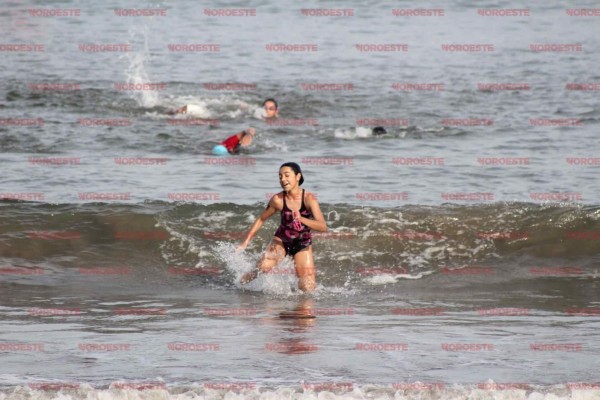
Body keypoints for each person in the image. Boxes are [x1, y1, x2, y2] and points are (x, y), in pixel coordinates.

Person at [237, 162, 327, 292]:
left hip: (303, 243)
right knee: (262, 267)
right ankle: (239, 284)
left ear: (297, 176)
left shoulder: (309, 198)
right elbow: (262, 218)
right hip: (282, 241)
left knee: (307, 288)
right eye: (280, 176)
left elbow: (323, 226)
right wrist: (246, 241)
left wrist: (301, 219)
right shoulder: (277, 200)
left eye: (286, 175)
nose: (283, 179)